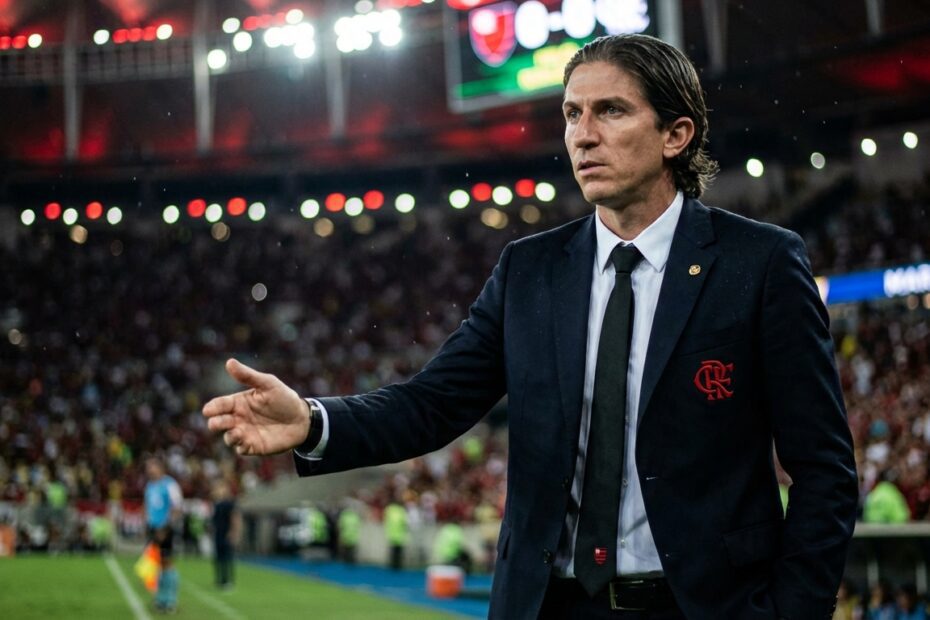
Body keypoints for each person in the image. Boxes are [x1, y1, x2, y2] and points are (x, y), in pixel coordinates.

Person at [203, 34, 858, 618]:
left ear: (675, 135)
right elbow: (433, 404)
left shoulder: (759, 263)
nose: (583, 135)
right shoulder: (530, 270)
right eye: (572, 114)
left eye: (611, 111)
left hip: (704, 605)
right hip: (549, 605)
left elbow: (824, 468)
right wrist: (313, 422)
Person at [144, 456, 182, 614]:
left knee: (167, 563)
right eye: (148, 467)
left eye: (152, 466)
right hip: (153, 528)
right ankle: (160, 598)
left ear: (160, 468)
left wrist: (165, 528)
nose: (149, 470)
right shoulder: (149, 485)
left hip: (165, 529)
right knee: (155, 564)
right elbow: (148, 507)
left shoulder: (170, 484)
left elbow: (176, 507)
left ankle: (171, 600)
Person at [211, 479, 240, 590]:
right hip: (218, 533)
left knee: (227, 558)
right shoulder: (216, 504)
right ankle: (220, 579)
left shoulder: (229, 503)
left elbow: (234, 518)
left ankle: (228, 580)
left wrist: (233, 532)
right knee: (218, 558)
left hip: (226, 533)